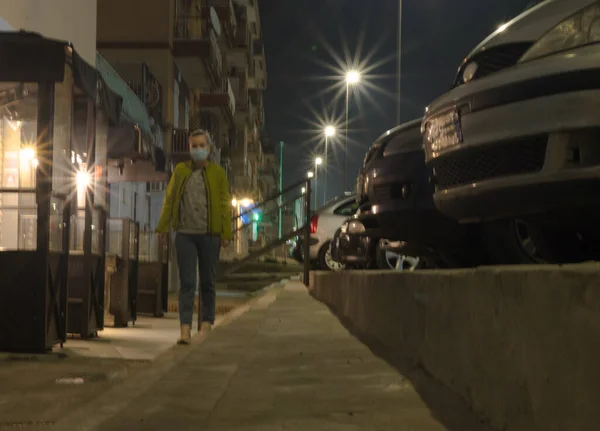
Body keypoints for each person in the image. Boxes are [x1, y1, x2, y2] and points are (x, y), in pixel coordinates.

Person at [156, 129, 232, 345]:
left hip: (210, 236)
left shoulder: (218, 174)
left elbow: (225, 205)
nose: (197, 149)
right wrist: (162, 228)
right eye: (193, 146)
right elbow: (170, 200)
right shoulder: (181, 171)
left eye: (201, 145)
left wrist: (226, 233)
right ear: (189, 148)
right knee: (187, 283)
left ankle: (206, 324)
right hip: (185, 235)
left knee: (208, 282)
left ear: (208, 149)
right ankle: (185, 329)